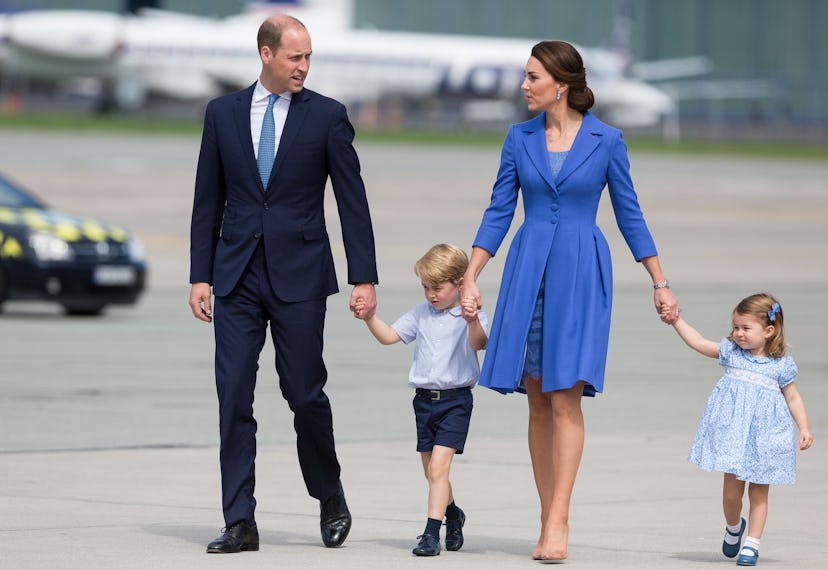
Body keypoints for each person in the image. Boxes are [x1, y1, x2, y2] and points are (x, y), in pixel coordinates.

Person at [460, 40, 679, 562]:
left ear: (560, 84)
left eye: (532, 77)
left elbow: (630, 214)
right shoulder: (518, 138)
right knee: (535, 398)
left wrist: (659, 280)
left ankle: (560, 518)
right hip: (527, 268)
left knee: (565, 396)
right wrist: (471, 277)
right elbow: (497, 212)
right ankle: (547, 516)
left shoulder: (607, 141)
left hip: (581, 273)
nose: (523, 86)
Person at [188, 14, 378, 553]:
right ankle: (240, 520)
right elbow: (207, 199)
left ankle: (329, 493)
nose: (304, 66)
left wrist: (362, 276)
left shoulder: (327, 116)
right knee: (233, 396)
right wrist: (200, 275)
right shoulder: (222, 114)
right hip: (237, 276)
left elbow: (352, 202)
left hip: (300, 276)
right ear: (266, 54)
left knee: (303, 392)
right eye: (295, 57)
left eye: (309, 57)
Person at [354, 244, 488, 556]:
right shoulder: (421, 313)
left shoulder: (472, 313)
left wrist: (471, 320)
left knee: (439, 468)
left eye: (437, 288)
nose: (430, 294)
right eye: (425, 287)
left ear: (459, 284)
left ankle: (431, 534)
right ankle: (453, 515)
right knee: (431, 472)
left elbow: (479, 343)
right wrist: (370, 318)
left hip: (455, 401)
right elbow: (390, 336)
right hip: (424, 402)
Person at [666, 293, 812, 567]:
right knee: (732, 495)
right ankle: (734, 526)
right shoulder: (731, 353)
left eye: (746, 328)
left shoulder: (780, 366)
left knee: (759, 492)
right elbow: (698, 342)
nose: (738, 334)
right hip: (733, 436)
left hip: (766, 438)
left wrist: (803, 427)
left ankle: (752, 544)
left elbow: (793, 397)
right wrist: (677, 321)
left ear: (769, 331)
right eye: (735, 327)